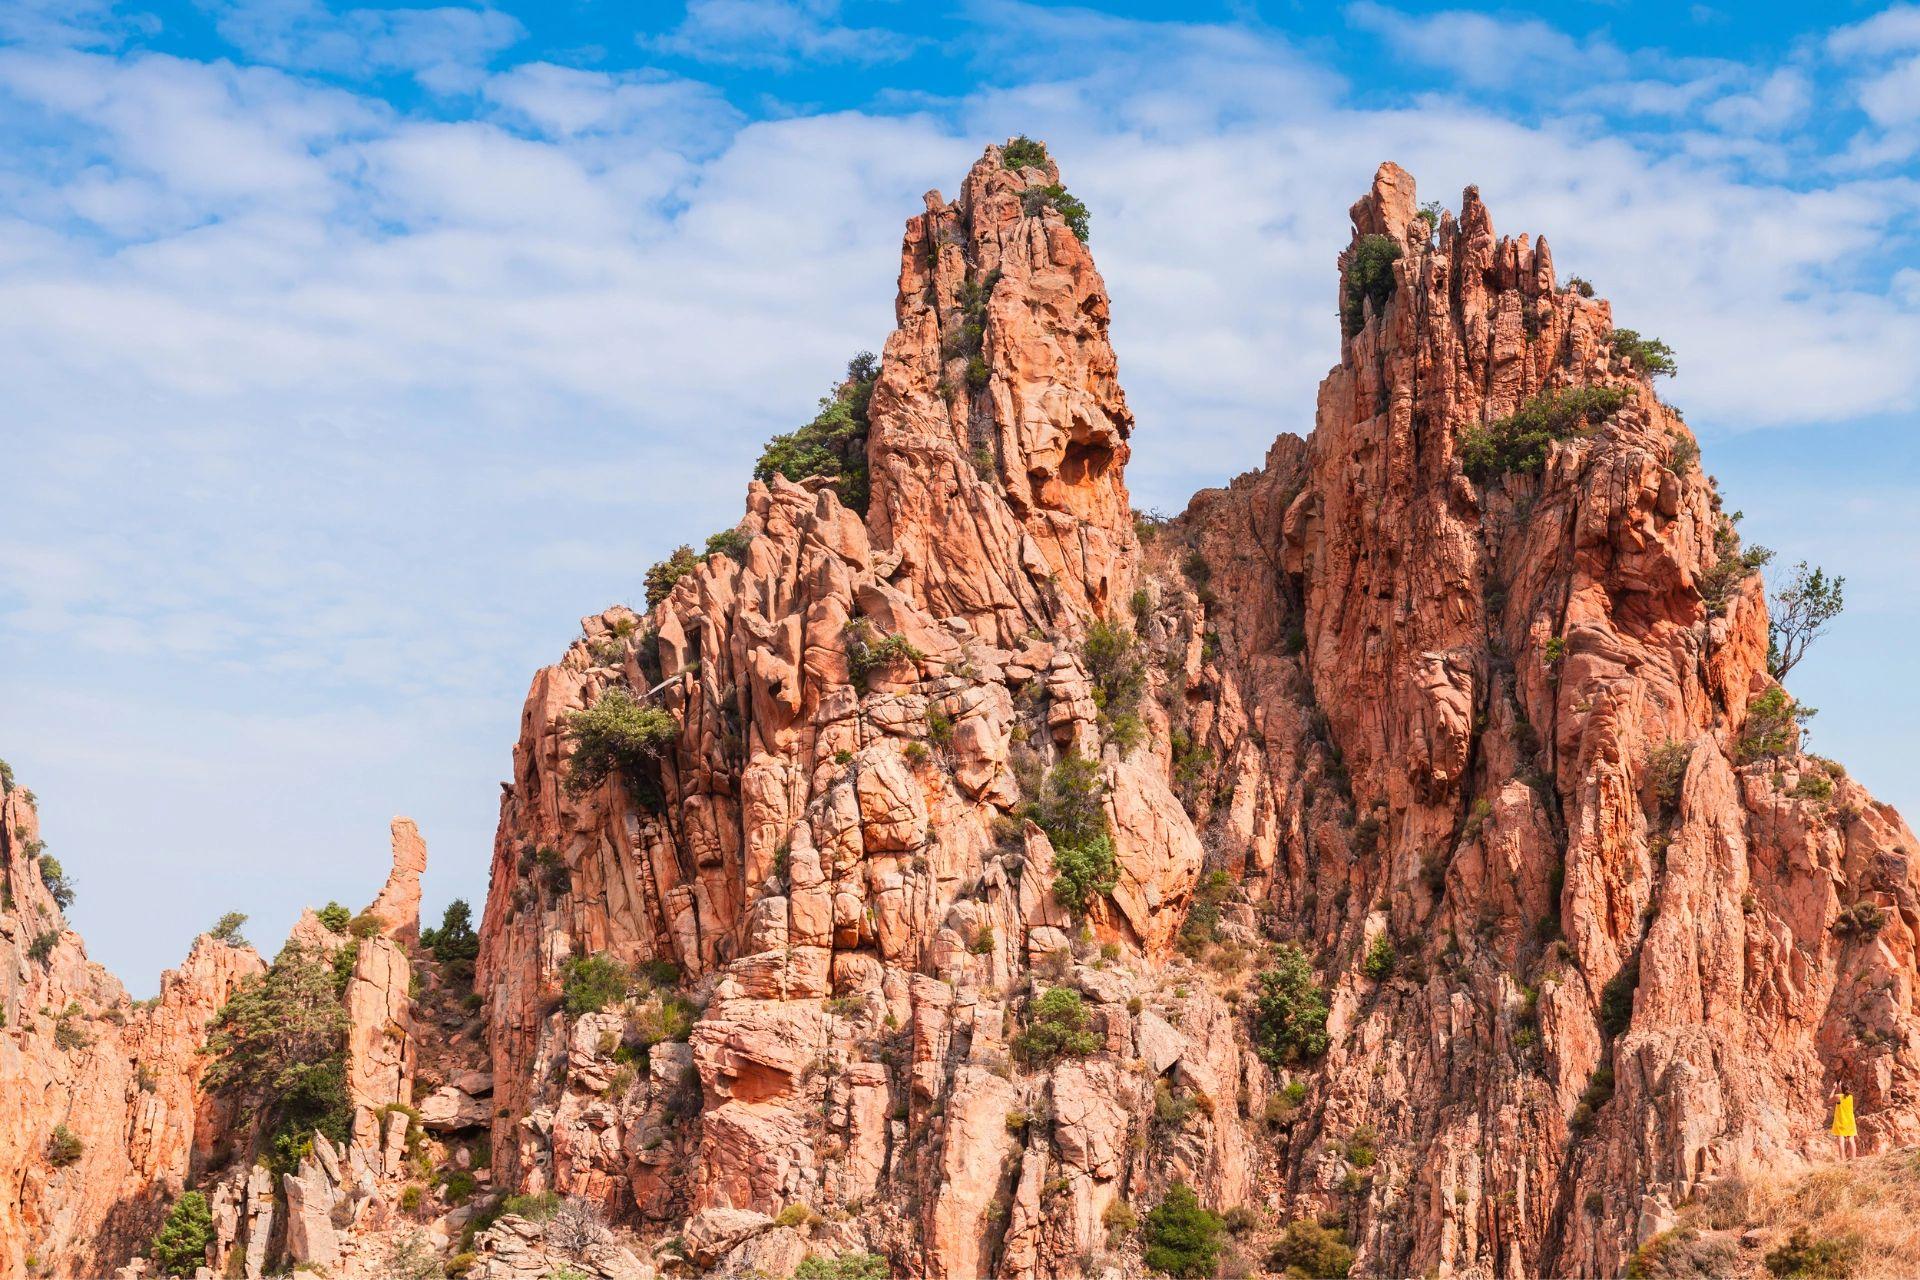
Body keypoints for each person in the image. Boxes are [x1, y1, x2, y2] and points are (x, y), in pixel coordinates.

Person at [1829, 1086, 1857, 1160]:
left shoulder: (1838, 1096)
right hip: (1850, 1121)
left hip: (1841, 1121)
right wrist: (1840, 1088)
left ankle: (1842, 1159)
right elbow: (1843, 1096)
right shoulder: (1850, 1097)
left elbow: (1829, 1099)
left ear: (1841, 1088)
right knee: (1851, 1140)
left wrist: (1834, 1088)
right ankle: (1853, 1158)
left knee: (1841, 1141)